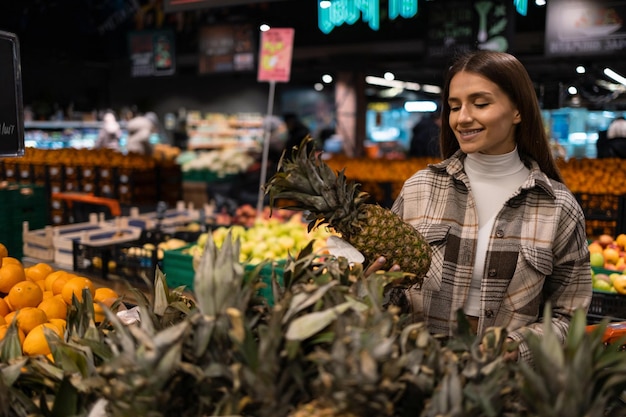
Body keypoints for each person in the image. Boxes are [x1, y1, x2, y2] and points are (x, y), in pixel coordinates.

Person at [368, 50, 592, 365]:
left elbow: (571, 316)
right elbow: (391, 293)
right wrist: (372, 288)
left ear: (517, 110)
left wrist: (518, 346)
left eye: (481, 103)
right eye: (454, 106)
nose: (462, 118)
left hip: (505, 389)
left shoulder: (557, 207)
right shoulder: (420, 189)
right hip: (420, 378)